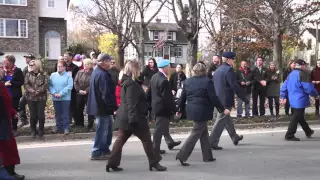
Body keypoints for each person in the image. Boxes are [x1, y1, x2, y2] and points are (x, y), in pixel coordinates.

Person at [107, 60, 167, 172]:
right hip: (134, 117)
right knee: (146, 140)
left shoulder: (126, 82)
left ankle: (111, 163)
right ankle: (154, 162)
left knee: (120, 140)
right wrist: (133, 119)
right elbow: (131, 103)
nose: (140, 70)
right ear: (134, 69)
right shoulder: (131, 84)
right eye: (138, 68)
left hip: (126, 117)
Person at [176, 63, 228, 166]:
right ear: (204, 71)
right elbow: (214, 98)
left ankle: (208, 156)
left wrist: (180, 110)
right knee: (195, 133)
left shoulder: (187, 81)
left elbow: (182, 98)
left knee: (203, 132)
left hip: (191, 110)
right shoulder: (207, 82)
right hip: (203, 110)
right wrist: (222, 109)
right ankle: (182, 155)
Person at [210, 52, 247, 150]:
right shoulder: (229, 70)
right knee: (221, 119)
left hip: (218, 98)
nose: (233, 62)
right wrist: (244, 98)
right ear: (229, 60)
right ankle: (212, 142)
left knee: (226, 118)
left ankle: (234, 137)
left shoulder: (218, 69)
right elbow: (234, 86)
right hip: (226, 99)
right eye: (233, 59)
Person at [147, 59, 181, 155]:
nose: (170, 69)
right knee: (158, 130)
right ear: (165, 68)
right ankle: (155, 149)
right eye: (169, 67)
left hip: (156, 107)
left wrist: (150, 105)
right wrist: (175, 110)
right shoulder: (164, 80)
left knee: (163, 127)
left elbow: (149, 92)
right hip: (162, 109)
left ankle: (170, 142)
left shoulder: (154, 77)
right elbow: (167, 98)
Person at [87, 54, 117, 160]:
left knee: (107, 128)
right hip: (102, 107)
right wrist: (113, 106)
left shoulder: (98, 72)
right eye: (109, 61)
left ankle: (104, 149)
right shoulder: (102, 74)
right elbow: (106, 94)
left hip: (101, 107)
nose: (110, 63)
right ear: (104, 62)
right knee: (103, 130)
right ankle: (97, 151)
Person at [280, 59, 318, 141]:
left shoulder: (290, 74)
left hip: (292, 99)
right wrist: (316, 95)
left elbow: (284, 86)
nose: (306, 67)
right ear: (301, 65)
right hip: (300, 100)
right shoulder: (303, 74)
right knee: (296, 117)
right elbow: (308, 87)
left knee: (299, 117)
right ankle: (289, 135)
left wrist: (283, 96)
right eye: (305, 65)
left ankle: (308, 131)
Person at [0, 81, 25, 180]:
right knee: (5, 148)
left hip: (4, 121)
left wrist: (12, 111)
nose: (1, 69)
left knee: (8, 148)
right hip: (2, 123)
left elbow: (6, 103)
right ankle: (8, 173)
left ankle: (10, 172)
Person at [0, 54, 24, 137]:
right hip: (4, 95)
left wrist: (11, 83)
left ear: (10, 62)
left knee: (14, 112)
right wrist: (4, 83)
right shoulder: (3, 70)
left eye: (5, 61)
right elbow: (1, 81)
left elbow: (21, 82)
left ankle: (14, 128)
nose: (4, 62)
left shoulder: (18, 71)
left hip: (14, 96)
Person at [24, 60, 48, 137]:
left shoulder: (43, 74)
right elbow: (26, 84)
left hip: (41, 97)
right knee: (33, 115)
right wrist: (32, 91)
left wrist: (38, 91)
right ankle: (33, 130)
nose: (30, 66)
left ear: (37, 65)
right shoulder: (28, 74)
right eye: (30, 65)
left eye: (32, 65)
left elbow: (45, 84)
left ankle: (41, 129)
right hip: (31, 97)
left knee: (41, 115)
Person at [49, 60, 73, 135]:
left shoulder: (68, 75)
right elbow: (50, 85)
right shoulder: (53, 75)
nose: (58, 68)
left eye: (60, 66)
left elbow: (70, 86)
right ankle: (58, 127)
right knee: (58, 114)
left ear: (64, 67)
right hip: (56, 98)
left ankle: (66, 128)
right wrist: (54, 93)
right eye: (58, 66)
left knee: (65, 114)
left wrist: (61, 93)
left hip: (65, 98)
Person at [74, 59, 95, 130]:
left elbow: (93, 83)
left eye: (86, 64)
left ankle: (90, 125)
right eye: (84, 64)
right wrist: (79, 90)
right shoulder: (80, 72)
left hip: (89, 94)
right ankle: (80, 124)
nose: (84, 66)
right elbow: (75, 82)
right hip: (80, 93)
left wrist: (86, 91)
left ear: (90, 65)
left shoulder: (93, 73)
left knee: (90, 109)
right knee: (79, 108)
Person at [18, 54, 36, 129]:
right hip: (27, 91)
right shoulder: (25, 69)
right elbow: (23, 80)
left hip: (36, 91)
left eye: (27, 58)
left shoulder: (37, 68)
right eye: (25, 58)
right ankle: (24, 119)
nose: (26, 59)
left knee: (33, 108)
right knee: (21, 103)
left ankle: (34, 124)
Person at [63, 52, 80, 125]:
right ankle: (68, 121)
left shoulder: (75, 67)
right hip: (63, 89)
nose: (65, 58)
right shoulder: (62, 66)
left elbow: (75, 79)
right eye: (64, 56)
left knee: (73, 106)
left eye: (66, 56)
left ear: (70, 57)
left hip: (72, 90)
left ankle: (76, 121)